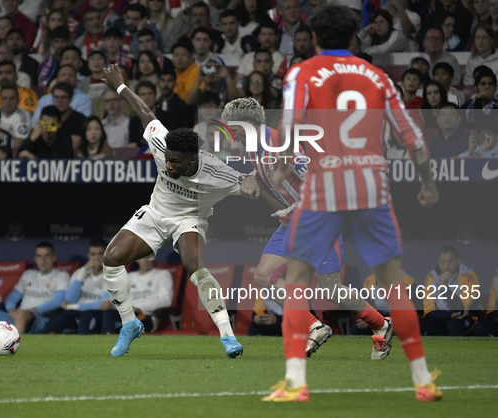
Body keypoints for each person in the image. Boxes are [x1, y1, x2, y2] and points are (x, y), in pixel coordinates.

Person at [263, 4, 441, 403]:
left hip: (324, 191)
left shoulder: (303, 72)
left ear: (315, 39)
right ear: (352, 38)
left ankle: (295, 384)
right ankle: (423, 380)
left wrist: (279, 167)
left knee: (295, 283)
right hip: (371, 189)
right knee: (393, 281)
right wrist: (427, 184)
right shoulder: (377, 75)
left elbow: (289, 125)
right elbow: (411, 135)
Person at [98, 64, 261, 358]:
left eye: (175, 162)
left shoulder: (217, 173)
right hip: (156, 212)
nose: (168, 166)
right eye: (167, 160)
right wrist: (121, 86)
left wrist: (250, 184)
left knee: (194, 265)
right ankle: (129, 325)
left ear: (192, 159)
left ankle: (227, 336)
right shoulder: (163, 144)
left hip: (190, 219)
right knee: (111, 258)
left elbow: (247, 181)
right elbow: (146, 112)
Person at [222, 97, 394, 358]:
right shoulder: (253, 147)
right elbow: (260, 170)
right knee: (262, 276)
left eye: (235, 132)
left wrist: (293, 209)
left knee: (330, 288)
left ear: (247, 125)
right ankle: (313, 326)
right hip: (294, 222)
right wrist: (250, 179)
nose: (234, 139)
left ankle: (381, 324)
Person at [0, 242, 69, 334]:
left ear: (53, 257)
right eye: (39, 256)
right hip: (17, 316)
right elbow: (12, 298)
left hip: (39, 319)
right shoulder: (28, 275)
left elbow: (59, 300)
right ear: (35, 259)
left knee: (21, 314)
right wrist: (11, 311)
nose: (43, 260)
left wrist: (33, 310)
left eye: (47, 256)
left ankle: (13, 351)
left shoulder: (61, 276)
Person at [42, 239, 114, 334]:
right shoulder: (80, 273)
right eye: (93, 254)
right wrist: (83, 271)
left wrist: (71, 307)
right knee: (62, 316)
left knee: (86, 315)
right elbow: (68, 300)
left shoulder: (113, 276)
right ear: (88, 255)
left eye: (100, 254)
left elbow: (104, 305)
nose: (96, 258)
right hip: (76, 312)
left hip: (97, 314)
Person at [420, 245, 482, 336]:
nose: (447, 266)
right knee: (419, 324)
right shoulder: (431, 277)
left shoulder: (469, 276)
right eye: (443, 262)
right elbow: (428, 311)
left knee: (453, 325)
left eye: (450, 261)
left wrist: (444, 287)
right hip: (444, 318)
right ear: (438, 263)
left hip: (467, 319)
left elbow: (462, 311)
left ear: (457, 261)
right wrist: (448, 316)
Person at [126, 258, 173, 333]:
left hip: (147, 315)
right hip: (127, 313)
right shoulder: (129, 277)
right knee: (107, 316)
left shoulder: (162, 275)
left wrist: (140, 308)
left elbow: (166, 300)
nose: (145, 260)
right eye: (142, 256)